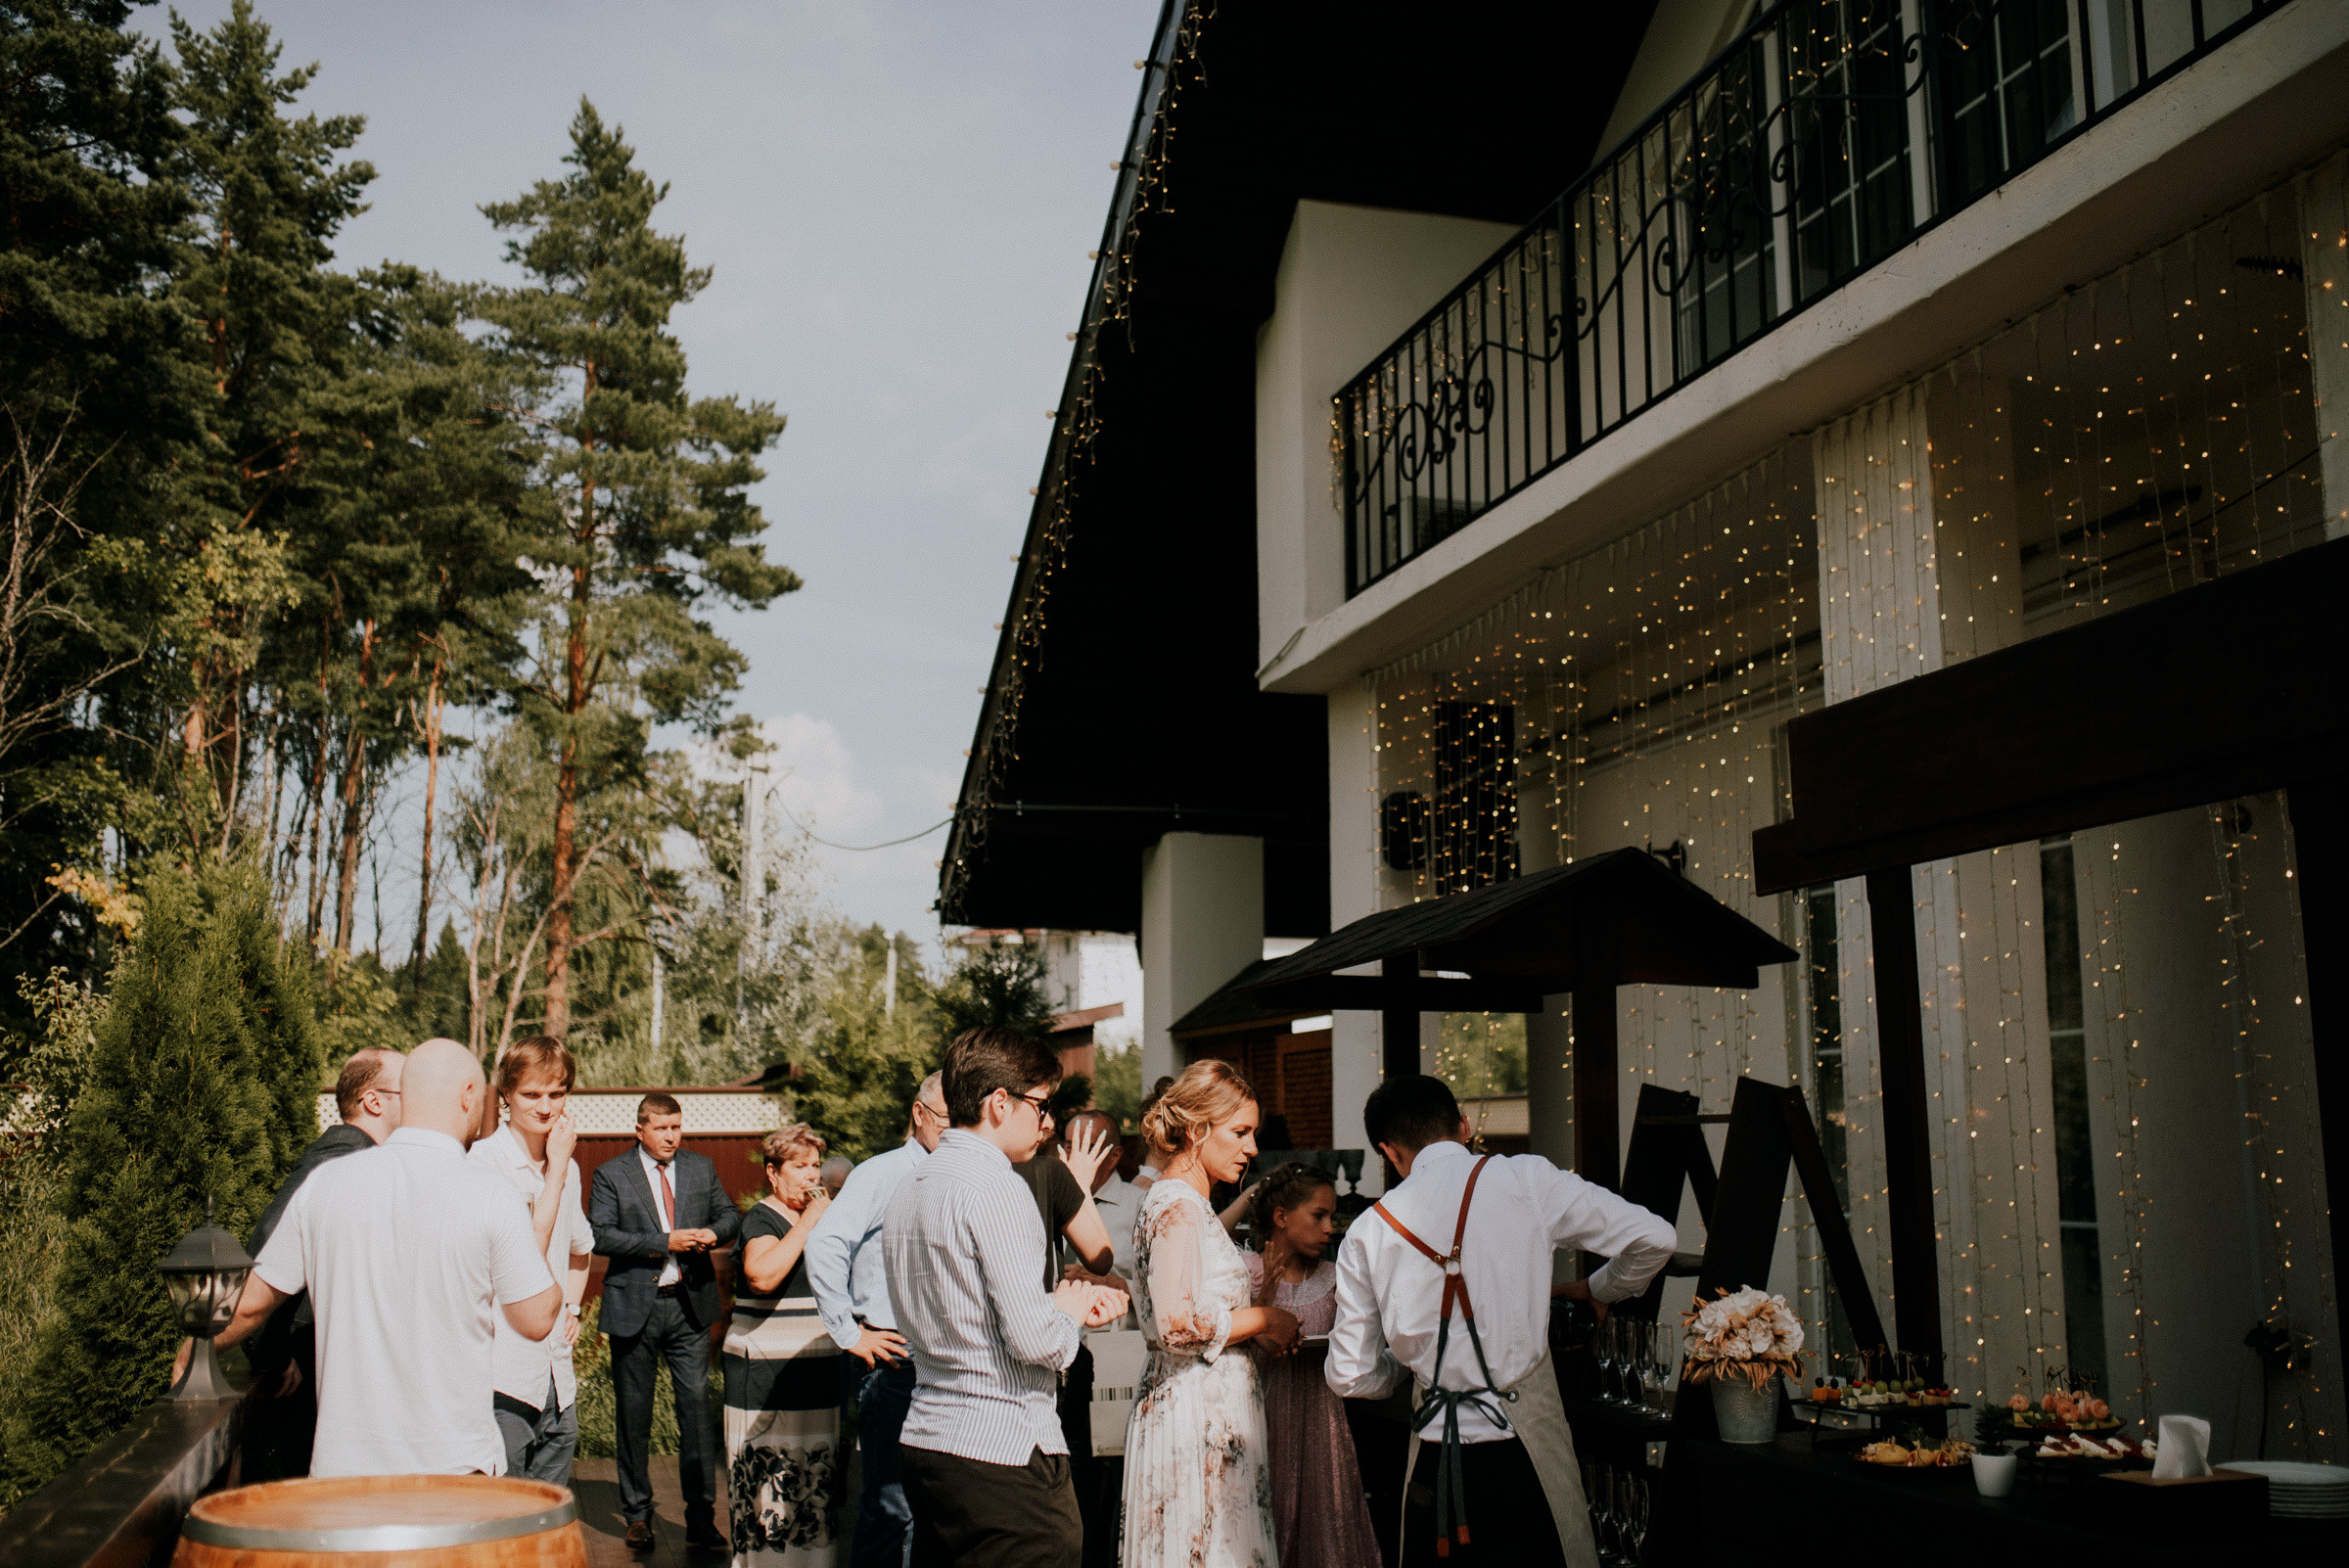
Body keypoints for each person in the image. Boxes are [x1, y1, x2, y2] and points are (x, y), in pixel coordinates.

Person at [1325, 1076, 1677, 1568]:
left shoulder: (1366, 1231)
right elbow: (1656, 1238)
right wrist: (1598, 1290)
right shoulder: (1527, 1180)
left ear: (1389, 1151)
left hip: (1434, 1460)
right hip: (1524, 1452)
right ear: (1464, 1125)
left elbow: (1351, 1376)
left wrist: (1414, 1362)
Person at [213, 1038, 561, 1475]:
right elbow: (535, 1319)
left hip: (345, 1474)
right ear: (468, 1095)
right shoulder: (491, 1192)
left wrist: (191, 1353)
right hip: (454, 1473)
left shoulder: (325, 1184)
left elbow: (247, 1306)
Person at [883, 1029, 1128, 1568]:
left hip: (928, 1439)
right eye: (1041, 1104)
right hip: (1004, 1450)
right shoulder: (998, 1187)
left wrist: (1066, 1311)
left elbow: (965, 1312)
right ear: (1000, 1103)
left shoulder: (912, 1184)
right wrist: (1066, 1310)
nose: (1048, 1121)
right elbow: (1035, 1339)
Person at [1120, 1060, 1296, 1568]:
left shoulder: (1187, 1204)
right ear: (1197, 1131)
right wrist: (1265, 1320)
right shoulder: (1176, 1203)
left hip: (1203, 1404)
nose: (1253, 1148)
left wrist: (1248, 1331)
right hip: (1192, 1411)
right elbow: (1179, 1325)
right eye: (1239, 1132)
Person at [227, 1045, 405, 1481]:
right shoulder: (338, 1163)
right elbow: (263, 1259)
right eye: (408, 1091)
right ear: (374, 1100)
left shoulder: (359, 1161)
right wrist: (272, 1352)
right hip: (305, 1380)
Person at [806, 1071, 949, 1568]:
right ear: (919, 1114)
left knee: (931, 1511)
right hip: (894, 1362)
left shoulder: (958, 1175)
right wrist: (850, 1333)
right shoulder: (882, 1173)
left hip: (945, 1363)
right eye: (947, 1120)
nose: (954, 1134)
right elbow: (825, 1244)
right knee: (892, 1509)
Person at [592, 1090, 745, 1555]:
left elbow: (730, 1215)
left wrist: (713, 1233)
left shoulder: (700, 1168)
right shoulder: (611, 1173)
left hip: (689, 1306)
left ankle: (701, 1521)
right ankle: (638, 1516)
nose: (671, 1137)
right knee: (633, 1417)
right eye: (662, 1129)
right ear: (640, 1130)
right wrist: (666, 1241)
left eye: (676, 1128)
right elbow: (601, 1234)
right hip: (635, 1308)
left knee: (696, 1414)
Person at [1242, 1162, 1380, 1568]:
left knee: (1327, 1513)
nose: (1330, 1228)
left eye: (1331, 1217)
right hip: (1263, 1413)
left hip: (1322, 1415)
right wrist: (1266, 1286)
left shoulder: (1336, 1277)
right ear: (1281, 1218)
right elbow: (1254, 1342)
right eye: (1318, 1216)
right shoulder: (1247, 1271)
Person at [469, 1036, 593, 1484]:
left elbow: (581, 1249)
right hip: (503, 1379)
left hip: (558, 1380)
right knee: (504, 1528)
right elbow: (518, 1265)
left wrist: (573, 1308)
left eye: (556, 1094)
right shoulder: (484, 1165)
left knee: (549, 1528)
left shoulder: (568, 1168)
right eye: (531, 1094)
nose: (545, 1107)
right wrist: (556, 1171)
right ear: (505, 1095)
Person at [725, 1123, 845, 1566]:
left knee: (812, 1495)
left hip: (815, 1377)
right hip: (767, 1378)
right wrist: (809, 1223)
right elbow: (762, 1275)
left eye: (816, 1165)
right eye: (800, 1166)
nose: (812, 1175)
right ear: (774, 1173)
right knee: (771, 1495)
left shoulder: (822, 1218)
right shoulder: (762, 1218)